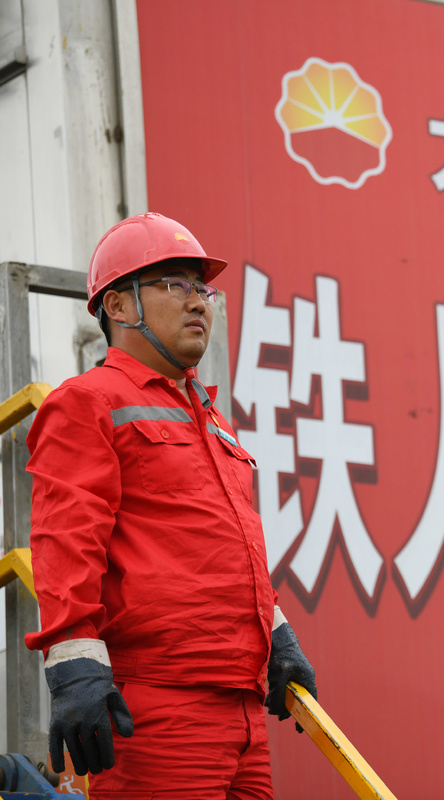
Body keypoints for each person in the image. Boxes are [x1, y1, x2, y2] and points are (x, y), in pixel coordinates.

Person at [23, 212, 318, 799]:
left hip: (242, 712)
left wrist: (278, 635)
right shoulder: (89, 401)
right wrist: (74, 664)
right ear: (118, 305)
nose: (198, 301)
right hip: (157, 710)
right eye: (174, 284)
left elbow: (221, 549)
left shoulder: (210, 420)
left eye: (202, 289)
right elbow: (65, 539)